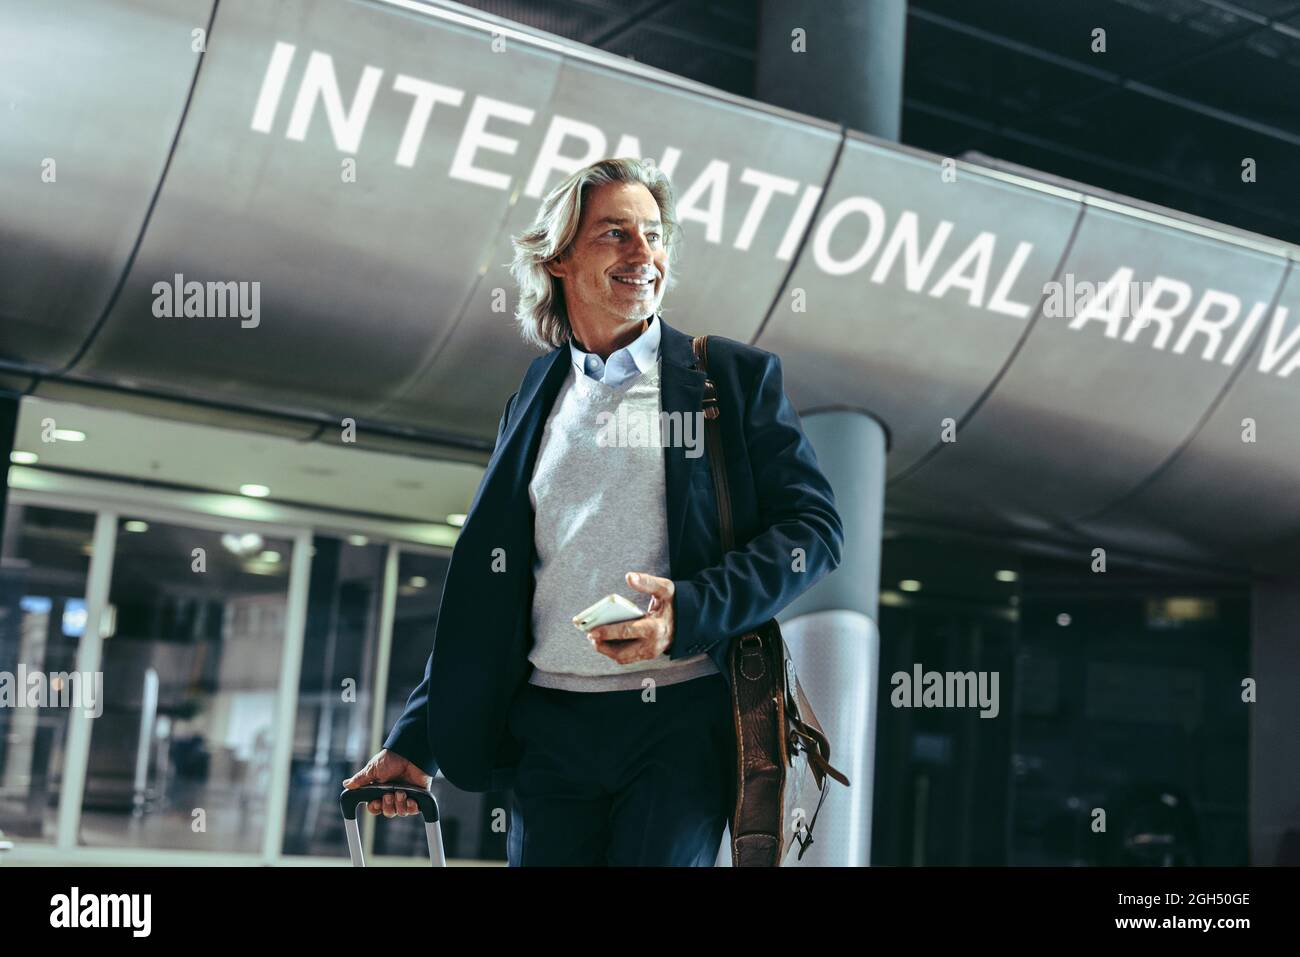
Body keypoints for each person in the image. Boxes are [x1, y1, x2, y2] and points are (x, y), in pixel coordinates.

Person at [344, 157, 843, 865]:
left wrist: (688, 610)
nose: (644, 253)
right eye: (616, 233)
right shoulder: (535, 394)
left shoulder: (728, 379)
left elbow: (814, 532)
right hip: (548, 732)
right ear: (558, 258)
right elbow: (494, 596)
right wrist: (416, 738)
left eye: (654, 234)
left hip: (679, 725)